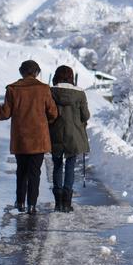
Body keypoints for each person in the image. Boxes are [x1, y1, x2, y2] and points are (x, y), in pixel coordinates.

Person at [0, 60, 58, 214]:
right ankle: (32, 205)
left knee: (21, 171)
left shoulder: (13, 89)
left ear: (21, 72)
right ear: (36, 72)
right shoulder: (44, 89)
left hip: (21, 139)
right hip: (38, 139)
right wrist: (47, 121)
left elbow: (5, 114)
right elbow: (53, 113)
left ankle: (20, 202)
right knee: (35, 172)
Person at [49, 65, 90, 213]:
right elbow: (85, 116)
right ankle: (67, 203)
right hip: (74, 135)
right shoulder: (80, 93)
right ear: (71, 77)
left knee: (57, 165)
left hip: (55, 133)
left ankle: (58, 202)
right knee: (70, 166)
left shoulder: (51, 91)